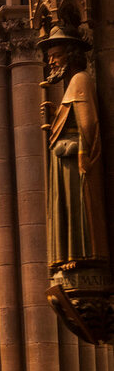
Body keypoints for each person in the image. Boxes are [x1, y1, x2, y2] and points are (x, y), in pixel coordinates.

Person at [40, 27, 108, 269]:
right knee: (66, 208)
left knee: (77, 205)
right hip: (65, 160)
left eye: (55, 56)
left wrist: (81, 152)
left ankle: (81, 256)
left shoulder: (80, 79)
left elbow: (88, 123)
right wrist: (54, 115)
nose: (50, 62)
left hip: (75, 160)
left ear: (70, 55)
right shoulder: (71, 84)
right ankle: (69, 255)